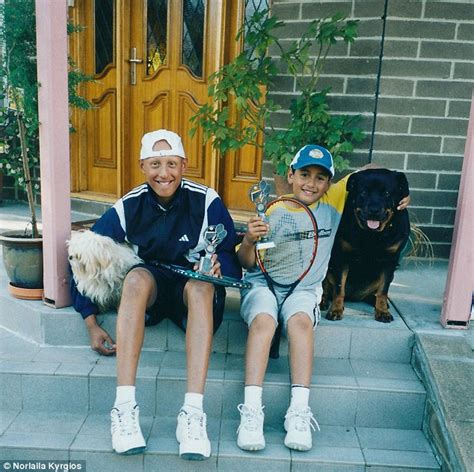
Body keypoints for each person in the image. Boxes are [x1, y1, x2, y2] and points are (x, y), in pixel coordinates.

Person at [71, 129, 241, 459]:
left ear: (185, 165)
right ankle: (124, 408)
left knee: (202, 286)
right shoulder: (128, 205)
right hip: (150, 291)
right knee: (135, 279)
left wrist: (222, 268)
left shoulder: (207, 201)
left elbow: (231, 251)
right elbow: (84, 256)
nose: (164, 173)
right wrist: (90, 321)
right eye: (155, 164)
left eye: (172, 164)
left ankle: (192, 413)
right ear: (142, 166)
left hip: (192, 295)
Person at [235, 145, 410, 452]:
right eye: (304, 174)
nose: (311, 184)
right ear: (290, 175)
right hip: (262, 285)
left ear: (330, 184)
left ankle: (299, 411)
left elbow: (371, 168)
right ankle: (251, 411)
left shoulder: (334, 202)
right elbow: (247, 263)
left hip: (303, 290)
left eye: (320, 178)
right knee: (264, 322)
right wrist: (249, 240)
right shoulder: (272, 211)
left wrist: (403, 191)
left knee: (300, 324)